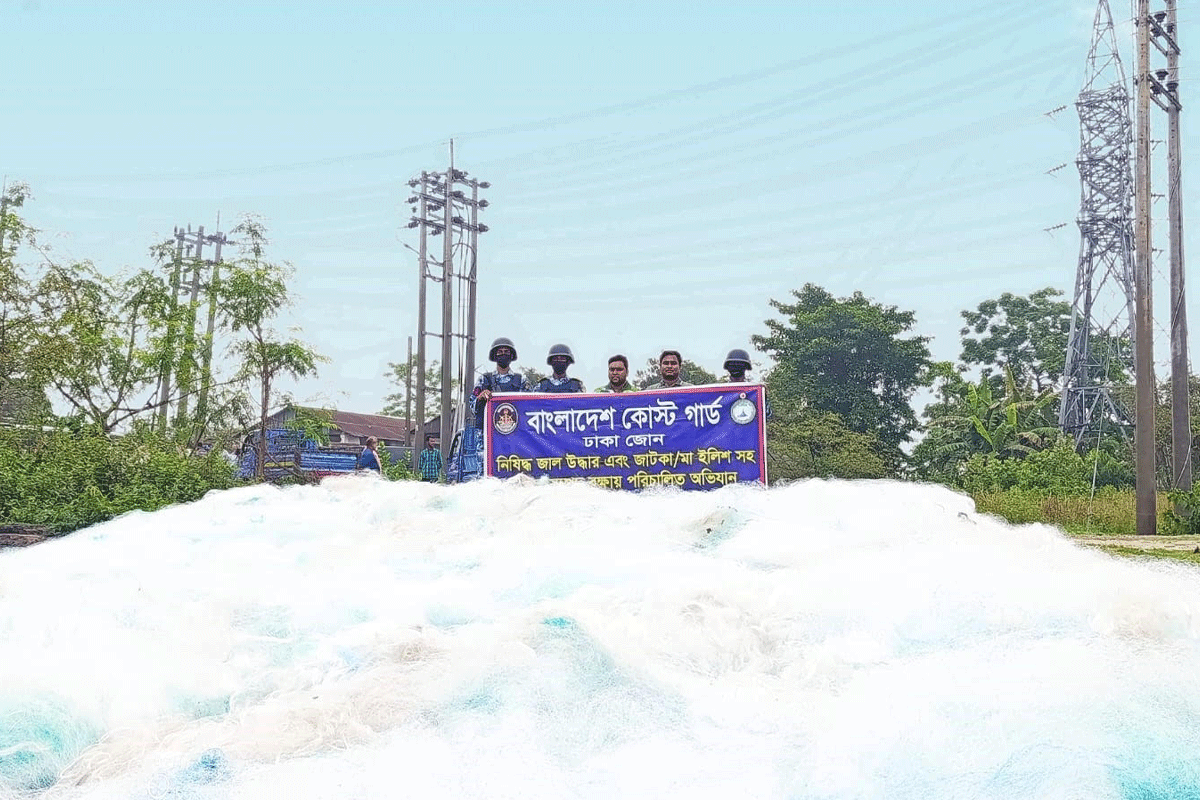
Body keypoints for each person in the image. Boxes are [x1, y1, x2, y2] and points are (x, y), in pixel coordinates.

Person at [472, 336, 530, 428]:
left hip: (517, 431)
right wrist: (480, 398)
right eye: (500, 352)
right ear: (495, 356)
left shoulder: (521, 380)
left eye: (506, 352)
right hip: (488, 431)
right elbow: (472, 406)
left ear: (511, 355)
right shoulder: (484, 379)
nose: (503, 354)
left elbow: (531, 405)